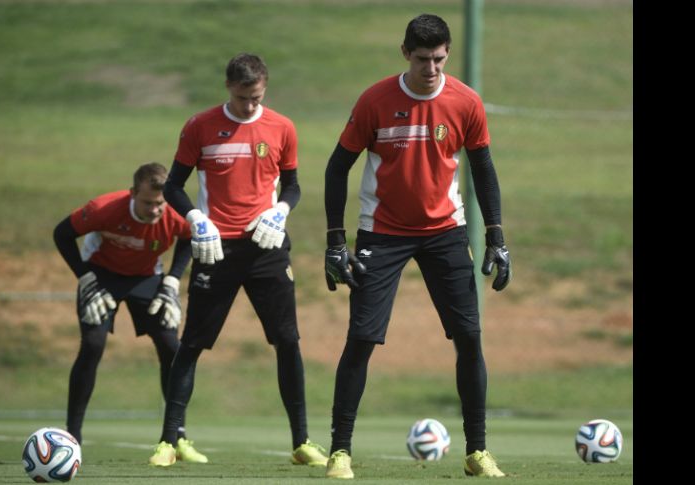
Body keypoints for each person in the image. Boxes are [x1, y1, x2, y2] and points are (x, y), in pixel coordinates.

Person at [322, 14, 512, 479]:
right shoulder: (375, 101)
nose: (431, 68)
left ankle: (478, 451)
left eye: (440, 58)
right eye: (423, 58)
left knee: (469, 338)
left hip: (446, 231)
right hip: (381, 232)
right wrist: (334, 241)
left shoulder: (465, 102)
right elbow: (335, 168)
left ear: (446, 53)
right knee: (362, 338)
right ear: (405, 52)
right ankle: (339, 452)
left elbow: (483, 169)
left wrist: (497, 237)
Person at [147, 53, 328, 468]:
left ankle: (302, 441)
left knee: (287, 341)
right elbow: (174, 186)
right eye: (243, 97)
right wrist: (195, 218)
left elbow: (294, 185)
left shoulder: (282, 127)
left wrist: (281, 210)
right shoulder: (200, 126)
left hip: (266, 246)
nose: (250, 105)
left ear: (265, 88)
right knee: (191, 344)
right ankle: (168, 441)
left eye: (257, 97)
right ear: (229, 87)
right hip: (215, 248)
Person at [53, 162, 192, 446]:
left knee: (172, 348)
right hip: (101, 274)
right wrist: (84, 277)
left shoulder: (176, 213)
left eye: (160, 203)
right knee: (92, 344)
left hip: (146, 277)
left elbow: (190, 238)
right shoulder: (104, 209)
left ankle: (177, 436)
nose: (155, 210)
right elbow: (62, 234)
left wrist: (172, 280)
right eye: (148, 202)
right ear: (132, 193)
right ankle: (73, 436)